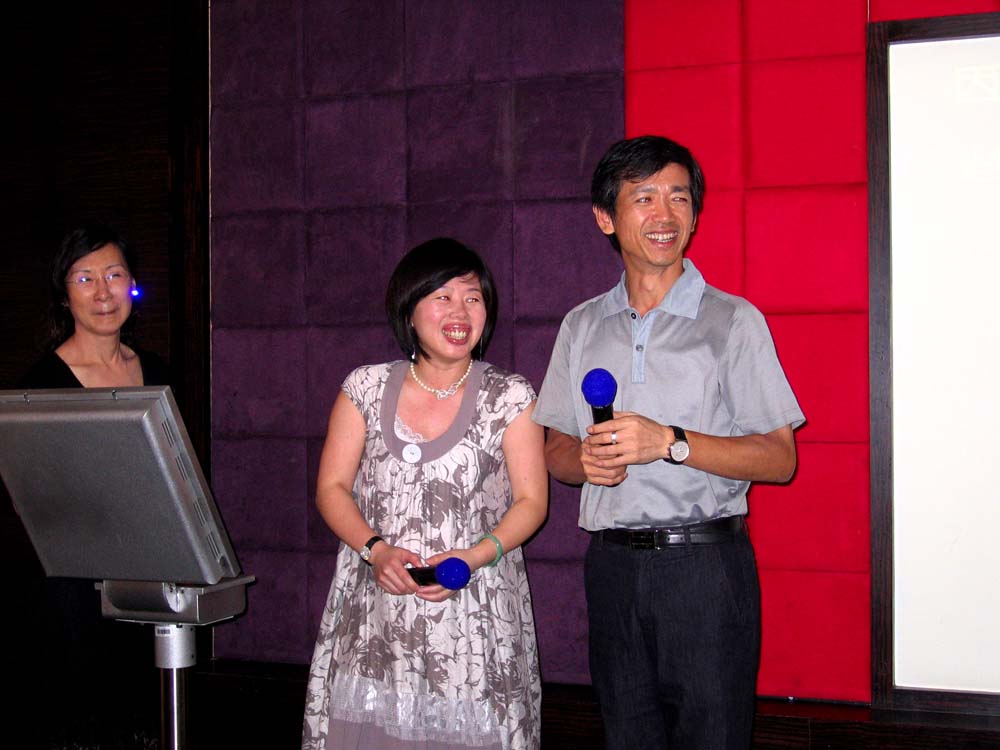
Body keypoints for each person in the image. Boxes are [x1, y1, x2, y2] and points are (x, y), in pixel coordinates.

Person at [532, 136, 805, 749]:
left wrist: (670, 441)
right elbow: (555, 450)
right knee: (626, 736)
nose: (665, 214)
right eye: (645, 197)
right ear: (605, 217)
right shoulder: (580, 324)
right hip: (611, 568)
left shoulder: (733, 320)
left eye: (679, 198)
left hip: (704, 569)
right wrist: (584, 461)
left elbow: (780, 458)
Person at [302, 238, 547, 750]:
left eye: (473, 298)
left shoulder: (511, 395)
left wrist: (474, 557)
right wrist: (375, 550)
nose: (461, 311)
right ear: (409, 309)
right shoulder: (364, 387)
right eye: (443, 297)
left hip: (475, 614)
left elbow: (531, 503)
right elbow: (331, 488)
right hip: (375, 614)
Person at [17, 223, 167, 748]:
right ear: (64, 294)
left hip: (149, 574)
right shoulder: (41, 384)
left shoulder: (158, 371)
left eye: (114, 275)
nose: (103, 292)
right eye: (84, 278)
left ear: (133, 286)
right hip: (73, 590)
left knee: (147, 722)